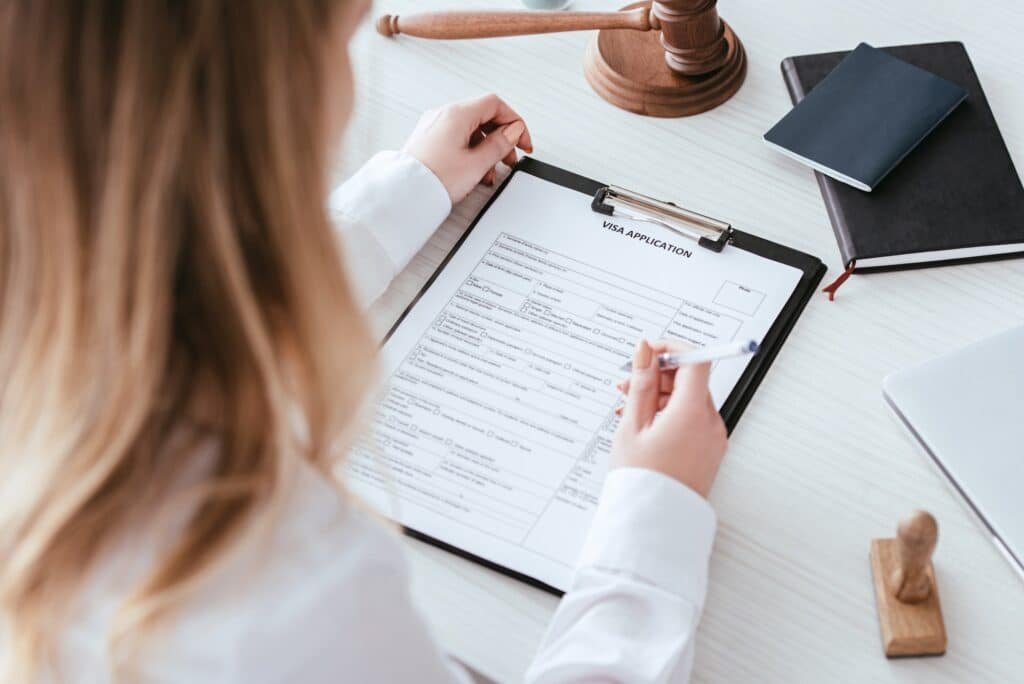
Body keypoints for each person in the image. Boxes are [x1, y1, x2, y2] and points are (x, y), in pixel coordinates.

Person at [0, 1, 728, 682]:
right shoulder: (286, 592)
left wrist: (406, 192)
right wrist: (656, 512)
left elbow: (170, 310)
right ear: (260, 117)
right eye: (338, 42)